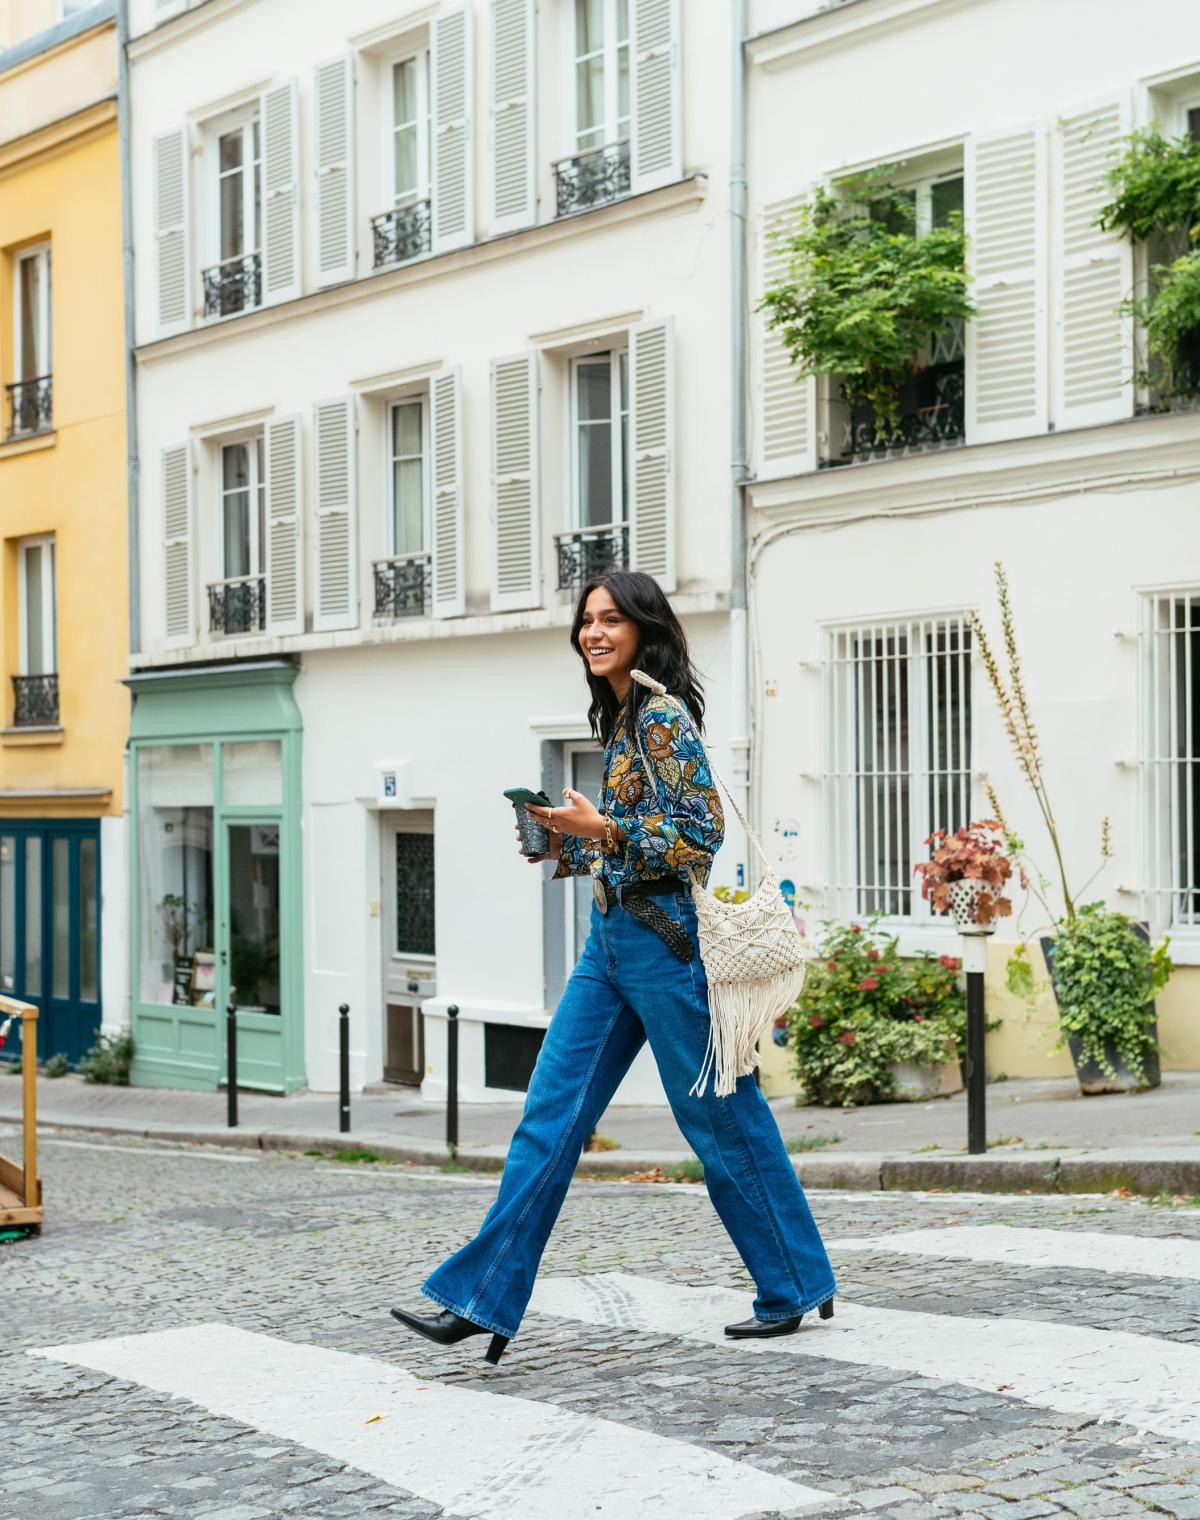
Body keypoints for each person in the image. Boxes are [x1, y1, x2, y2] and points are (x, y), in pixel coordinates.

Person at [391, 570, 836, 1365]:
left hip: (666, 951)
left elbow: (701, 841)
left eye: (610, 620)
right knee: (549, 1118)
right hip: (609, 943)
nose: (593, 632)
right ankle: (483, 1297)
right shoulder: (622, 716)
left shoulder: (662, 717)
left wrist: (608, 830)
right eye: (585, 620)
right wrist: (566, 836)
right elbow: (626, 836)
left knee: (722, 1122)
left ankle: (794, 1280)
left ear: (643, 627)